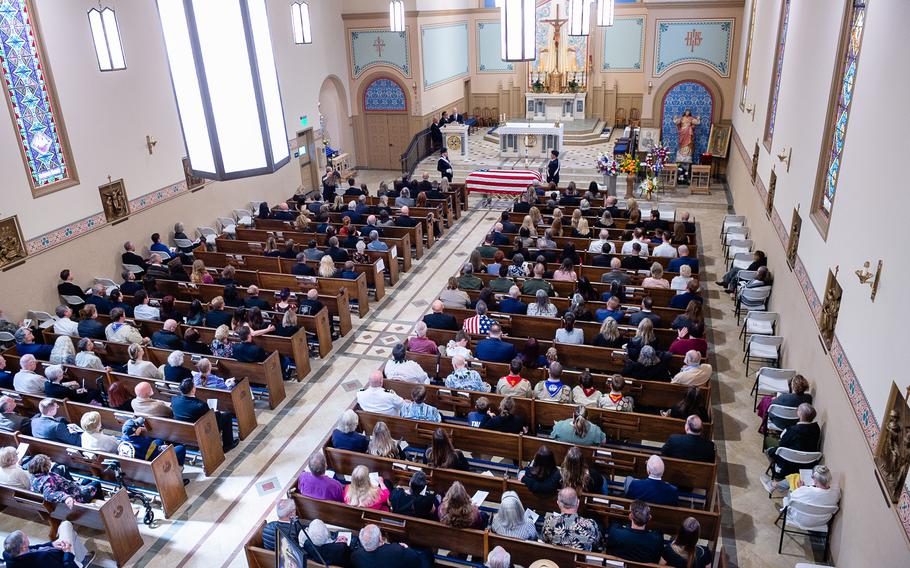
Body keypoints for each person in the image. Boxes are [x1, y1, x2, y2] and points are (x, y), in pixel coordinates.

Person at [172, 379, 237, 451]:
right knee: (227, 415)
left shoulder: (174, 399)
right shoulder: (200, 405)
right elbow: (211, 419)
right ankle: (228, 445)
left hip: (183, 432)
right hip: (201, 432)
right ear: (193, 390)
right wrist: (216, 412)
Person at [765, 403, 821, 481]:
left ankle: (777, 473)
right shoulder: (816, 429)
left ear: (800, 415)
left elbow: (782, 445)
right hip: (807, 463)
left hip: (788, 461)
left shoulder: (791, 430)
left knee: (769, 448)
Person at [3, 526, 92, 568]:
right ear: (22, 547)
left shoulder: (8, 553)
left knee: (71, 533)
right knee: (66, 525)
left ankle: (81, 558)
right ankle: (80, 562)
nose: (27, 536)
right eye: (25, 537)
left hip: (57, 552)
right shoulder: (41, 561)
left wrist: (51, 544)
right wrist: (68, 553)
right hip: (67, 560)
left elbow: (34, 547)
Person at [30, 453, 101, 505]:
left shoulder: (34, 477)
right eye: (49, 462)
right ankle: (100, 504)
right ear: (44, 466)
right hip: (77, 496)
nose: (50, 463)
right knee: (96, 483)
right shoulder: (47, 480)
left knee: (88, 479)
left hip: (72, 488)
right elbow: (48, 494)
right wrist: (66, 498)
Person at [350, 524, 422, 568]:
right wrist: (407, 548)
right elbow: (415, 558)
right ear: (380, 538)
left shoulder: (355, 556)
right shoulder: (396, 550)